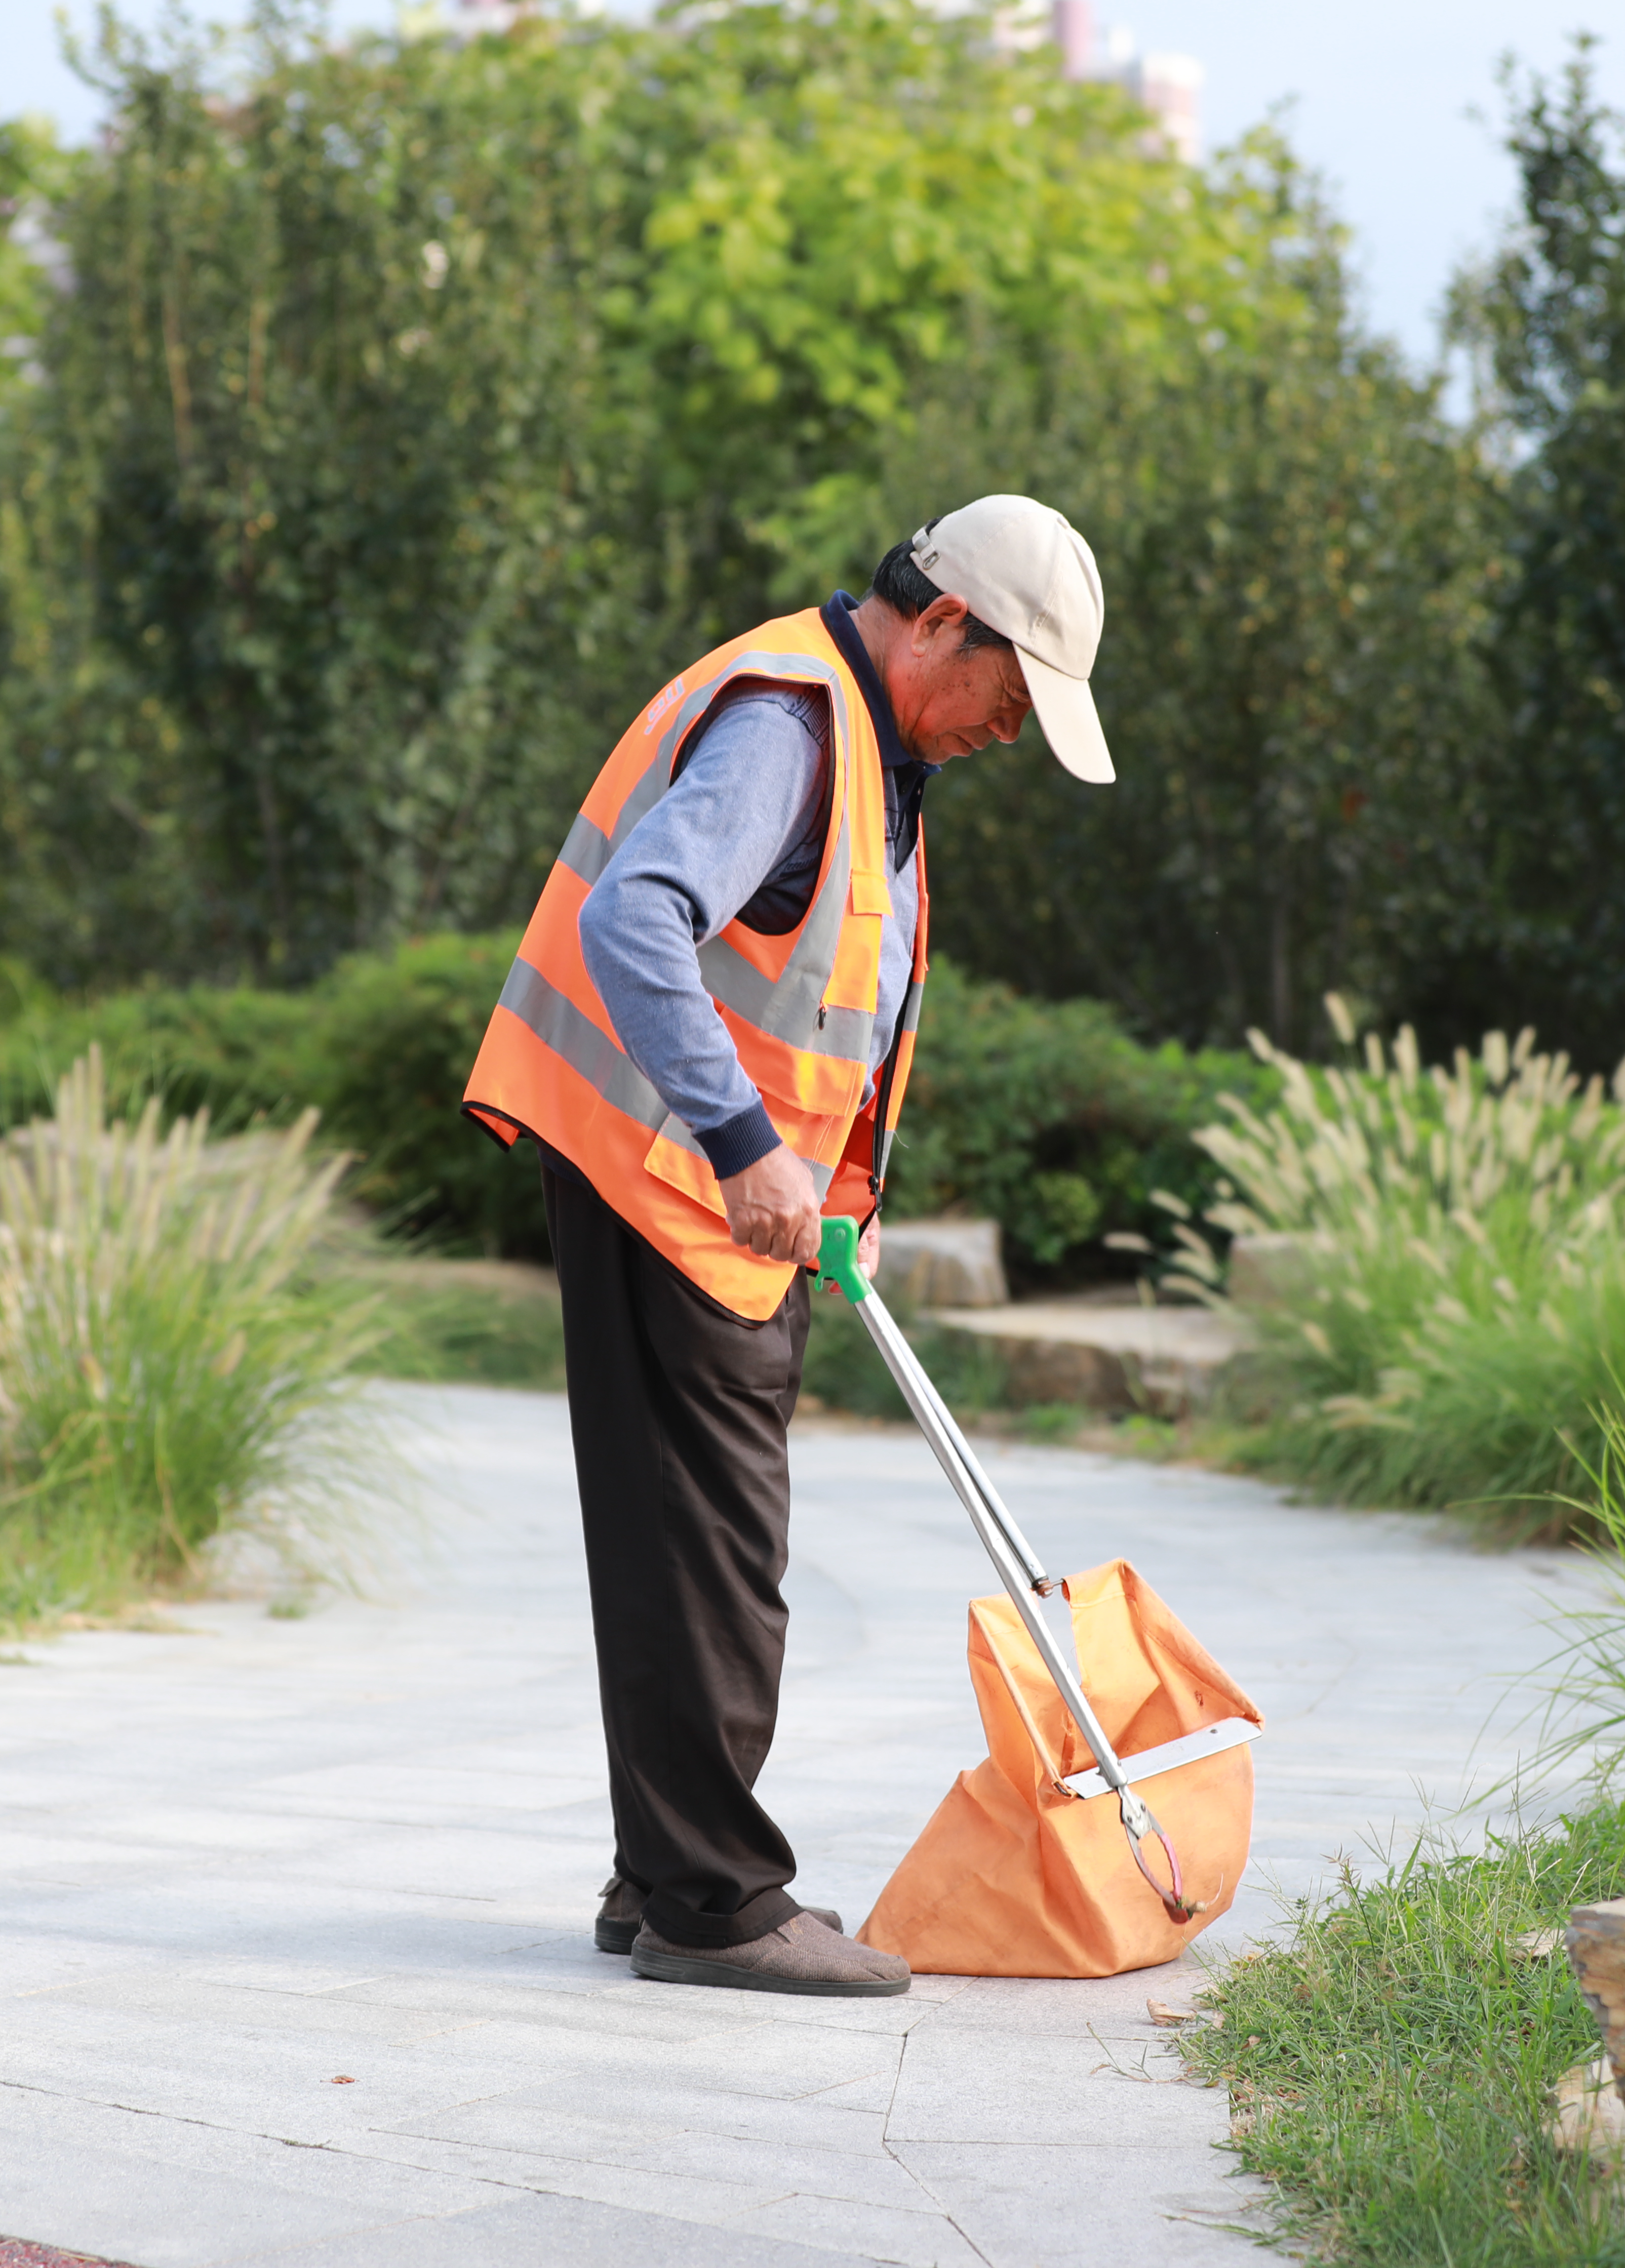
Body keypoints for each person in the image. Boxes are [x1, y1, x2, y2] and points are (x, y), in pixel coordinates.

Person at [461, 496, 1113, 1997]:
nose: (1011, 733)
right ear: (947, 621)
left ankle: (661, 1875)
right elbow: (640, 920)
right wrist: (746, 1146)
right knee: (716, 1558)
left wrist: (816, 1177)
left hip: (709, 1202)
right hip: (669, 1182)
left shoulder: (867, 740)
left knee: (685, 1549)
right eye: (1012, 697)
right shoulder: (796, 724)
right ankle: (717, 1906)